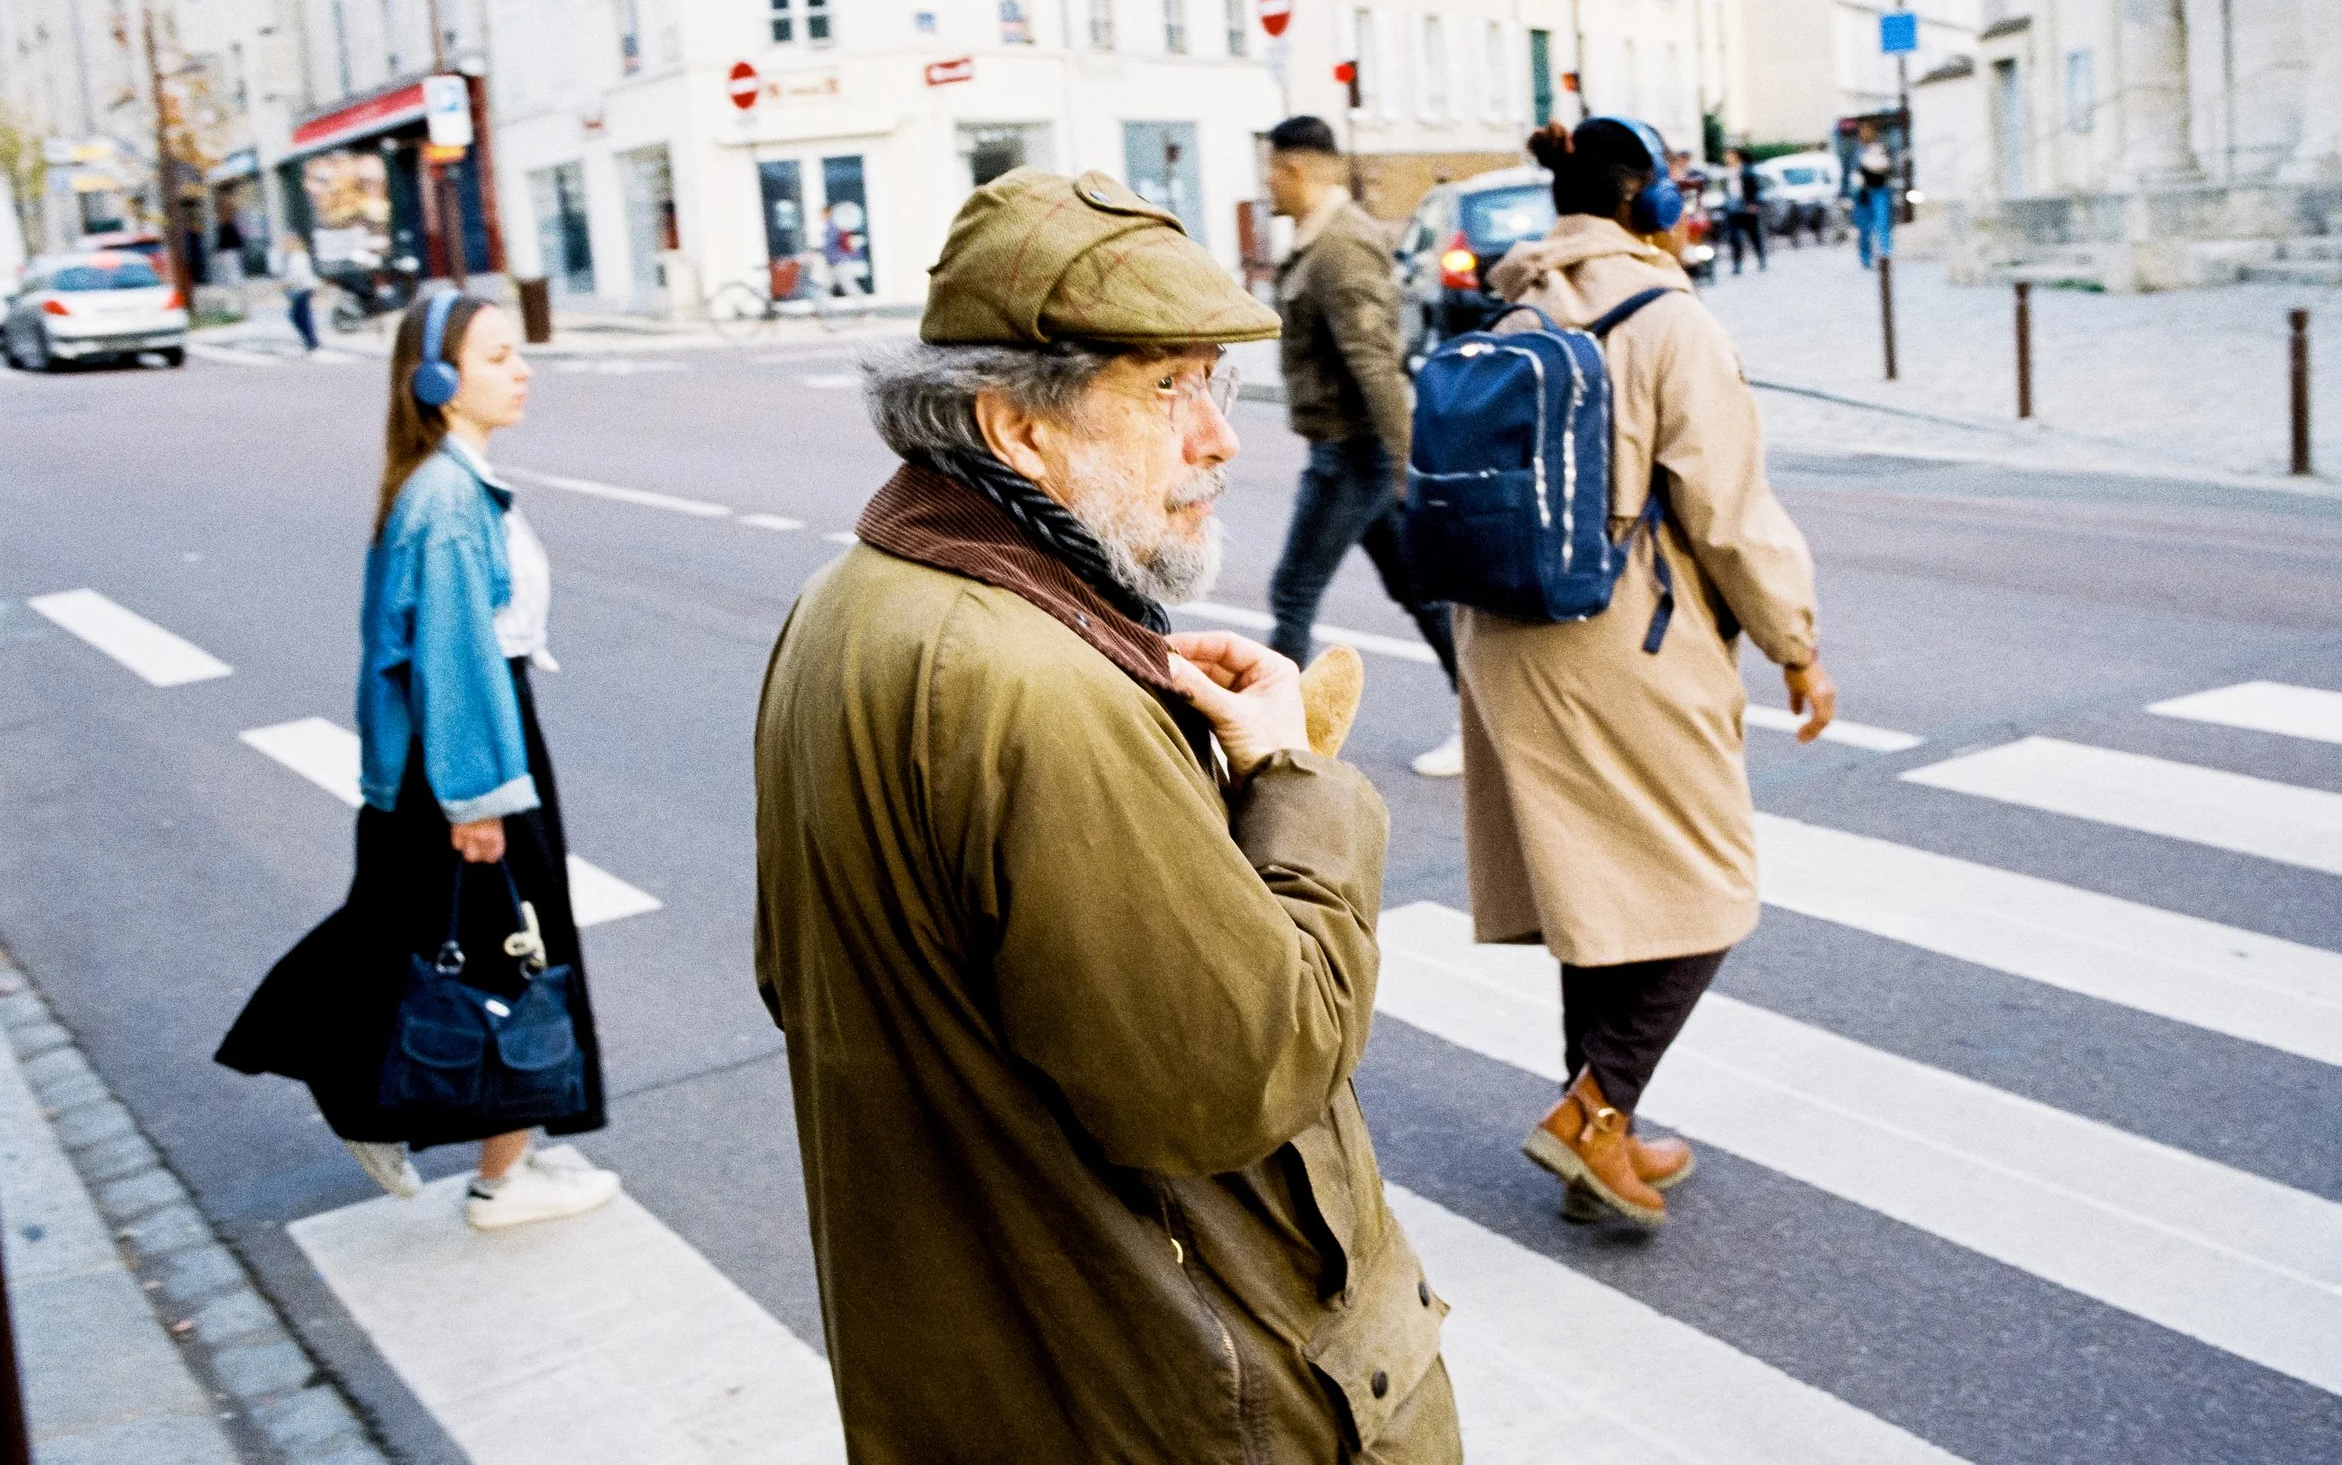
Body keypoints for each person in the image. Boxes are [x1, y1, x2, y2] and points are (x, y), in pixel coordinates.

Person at [754, 167, 1458, 1462]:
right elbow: (1237, 1077)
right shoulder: (1035, 685)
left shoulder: (853, 600)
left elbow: (805, 978)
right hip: (1178, 1395)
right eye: (1164, 389)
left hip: (1006, 1371)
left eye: (1215, 381)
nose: (1219, 438)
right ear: (1016, 431)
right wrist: (1297, 787)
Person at [1466, 119, 1837, 1229]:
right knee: (1708, 879)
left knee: (1600, 889)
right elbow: (1727, 508)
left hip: (1510, 631)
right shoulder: (1672, 321)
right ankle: (1592, 1111)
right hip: (1620, 632)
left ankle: (1604, 1129)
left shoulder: (1517, 307)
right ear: (1651, 200)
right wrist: (1797, 644)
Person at [217, 292, 618, 1233]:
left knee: (429, 933)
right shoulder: (445, 497)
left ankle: (501, 1153)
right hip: (468, 746)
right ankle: (486, 1169)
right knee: (510, 946)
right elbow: (454, 654)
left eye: (519, 354)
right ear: (437, 379)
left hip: (454, 747)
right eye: (498, 357)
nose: (522, 370)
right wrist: (476, 797)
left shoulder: (445, 481)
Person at [1263, 114, 1464, 778]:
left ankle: (1271, 754)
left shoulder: (1340, 247)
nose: (1266, 183)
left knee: (1293, 592)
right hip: (1352, 451)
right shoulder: (1318, 241)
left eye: (1271, 168)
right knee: (1421, 594)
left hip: (1353, 454)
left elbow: (1374, 362)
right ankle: (1485, 722)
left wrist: (1408, 466)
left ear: (1297, 170)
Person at [1854, 121, 1895, 269]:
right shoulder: (1857, 152)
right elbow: (1852, 174)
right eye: (1863, 131)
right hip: (1862, 193)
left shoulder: (1880, 148)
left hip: (1879, 190)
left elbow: (1888, 167)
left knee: (1882, 223)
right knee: (1864, 228)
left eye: (1869, 131)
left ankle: (1885, 255)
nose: (1866, 134)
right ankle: (1865, 257)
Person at [1722, 146, 1767, 275]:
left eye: (1728, 155)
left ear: (1736, 155)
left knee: (1754, 235)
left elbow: (1755, 188)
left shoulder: (1747, 170)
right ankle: (1737, 264)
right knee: (1734, 238)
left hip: (1747, 207)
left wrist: (1753, 203)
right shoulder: (1727, 172)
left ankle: (1761, 258)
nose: (1726, 158)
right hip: (1732, 207)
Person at [281, 234, 319, 353]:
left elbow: (297, 275)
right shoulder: (296, 256)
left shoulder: (299, 257)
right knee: (302, 316)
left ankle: (311, 341)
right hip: (302, 289)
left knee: (299, 316)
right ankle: (311, 341)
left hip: (301, 289)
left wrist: (286, 283)